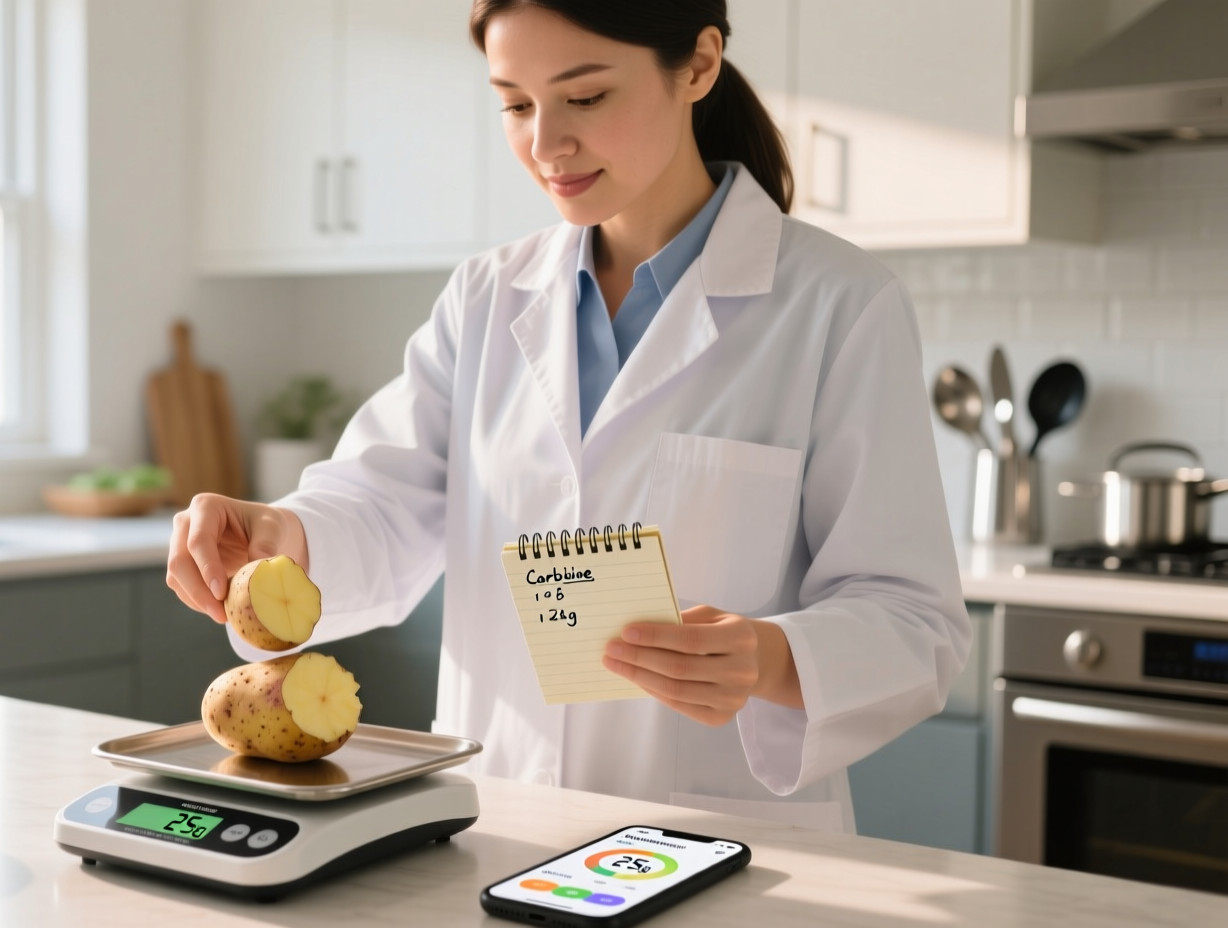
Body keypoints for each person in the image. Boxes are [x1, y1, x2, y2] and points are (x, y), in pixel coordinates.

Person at [167, 0, 968, 833]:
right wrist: (282, 539)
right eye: (515, 103)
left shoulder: (838, 305)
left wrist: (774, 659)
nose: (545, 145)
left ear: (698, 65)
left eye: (584, 98)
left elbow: (914, 622)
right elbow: (381, 502)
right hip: (499, 824)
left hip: (720, 845)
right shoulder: (485, 298)